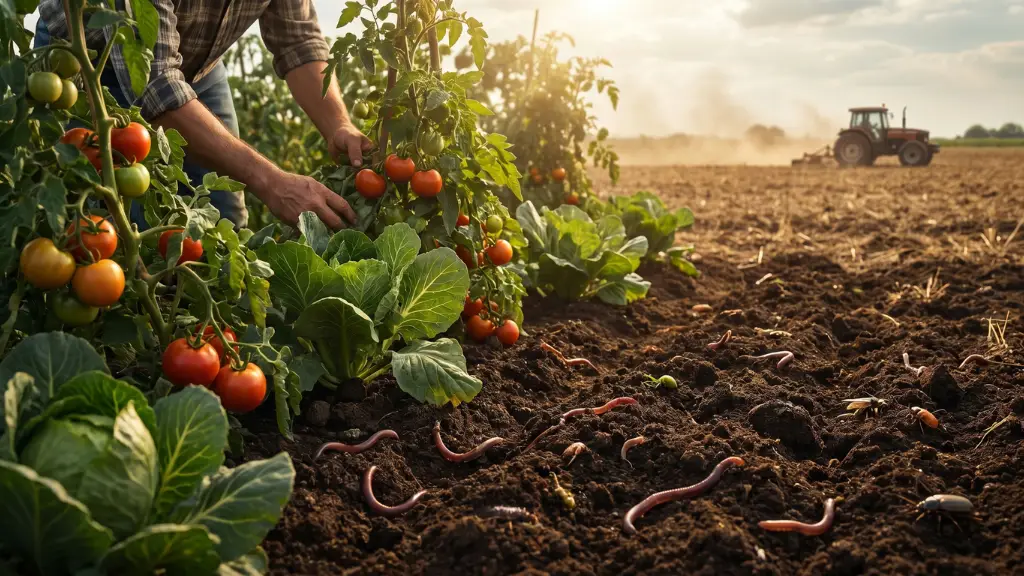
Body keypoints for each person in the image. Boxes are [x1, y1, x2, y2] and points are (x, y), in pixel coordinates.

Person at [34, 0, 372, 230]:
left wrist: (338, 124)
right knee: (93, 221)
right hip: (86, 62)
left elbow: (298, 39)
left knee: (220, 221)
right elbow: (158, 86)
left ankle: (210, 325)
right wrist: (271, 181)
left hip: (193, 65)